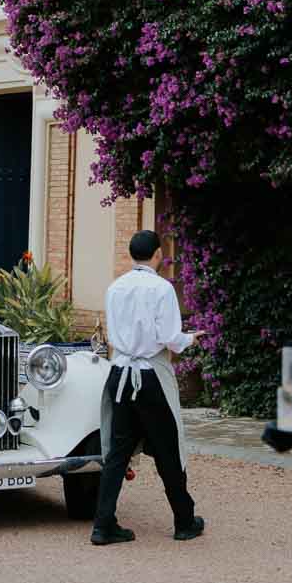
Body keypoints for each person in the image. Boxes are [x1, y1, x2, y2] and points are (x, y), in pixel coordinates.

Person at [91, 230, 204, 547]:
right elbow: (170, 337)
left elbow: (115, 334)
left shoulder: (115, 287)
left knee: (118, 451)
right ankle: (184, 520)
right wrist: (190, 338)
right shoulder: (162, 288)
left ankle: (103, 524)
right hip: (149, 375)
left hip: (121, 372)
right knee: (168, 448)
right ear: (157, 254)